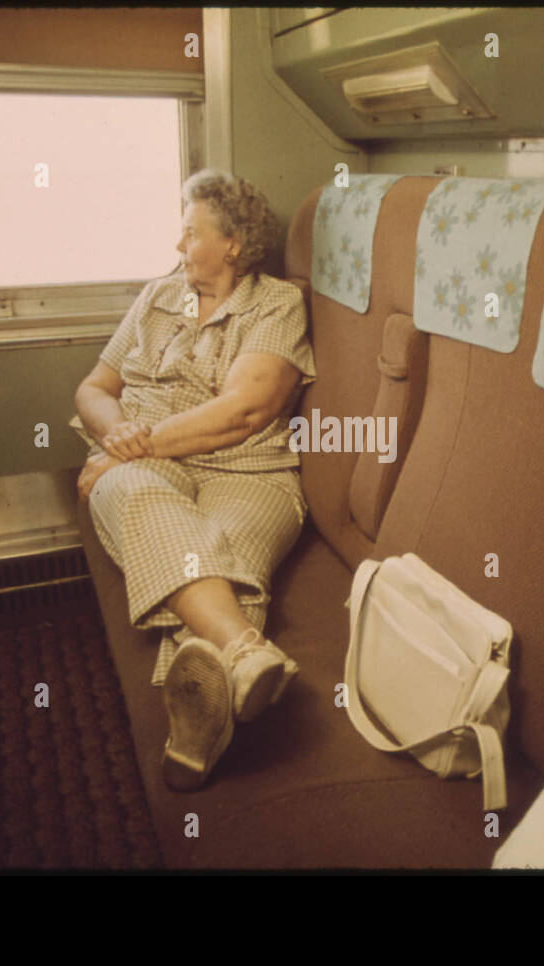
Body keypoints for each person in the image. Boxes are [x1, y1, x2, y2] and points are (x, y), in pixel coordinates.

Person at [72, 169, 316, 792]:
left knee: (220, 555)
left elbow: (245, 412)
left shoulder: (276, 304)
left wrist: (127, 448)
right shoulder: (156, 297)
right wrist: (113, 438)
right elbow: (94, 389)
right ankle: (243, 652)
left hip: (253, 473)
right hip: (146, 472)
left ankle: (198, 727)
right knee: (135, 497)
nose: (177, 248)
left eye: (189, 234)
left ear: (233, 243)